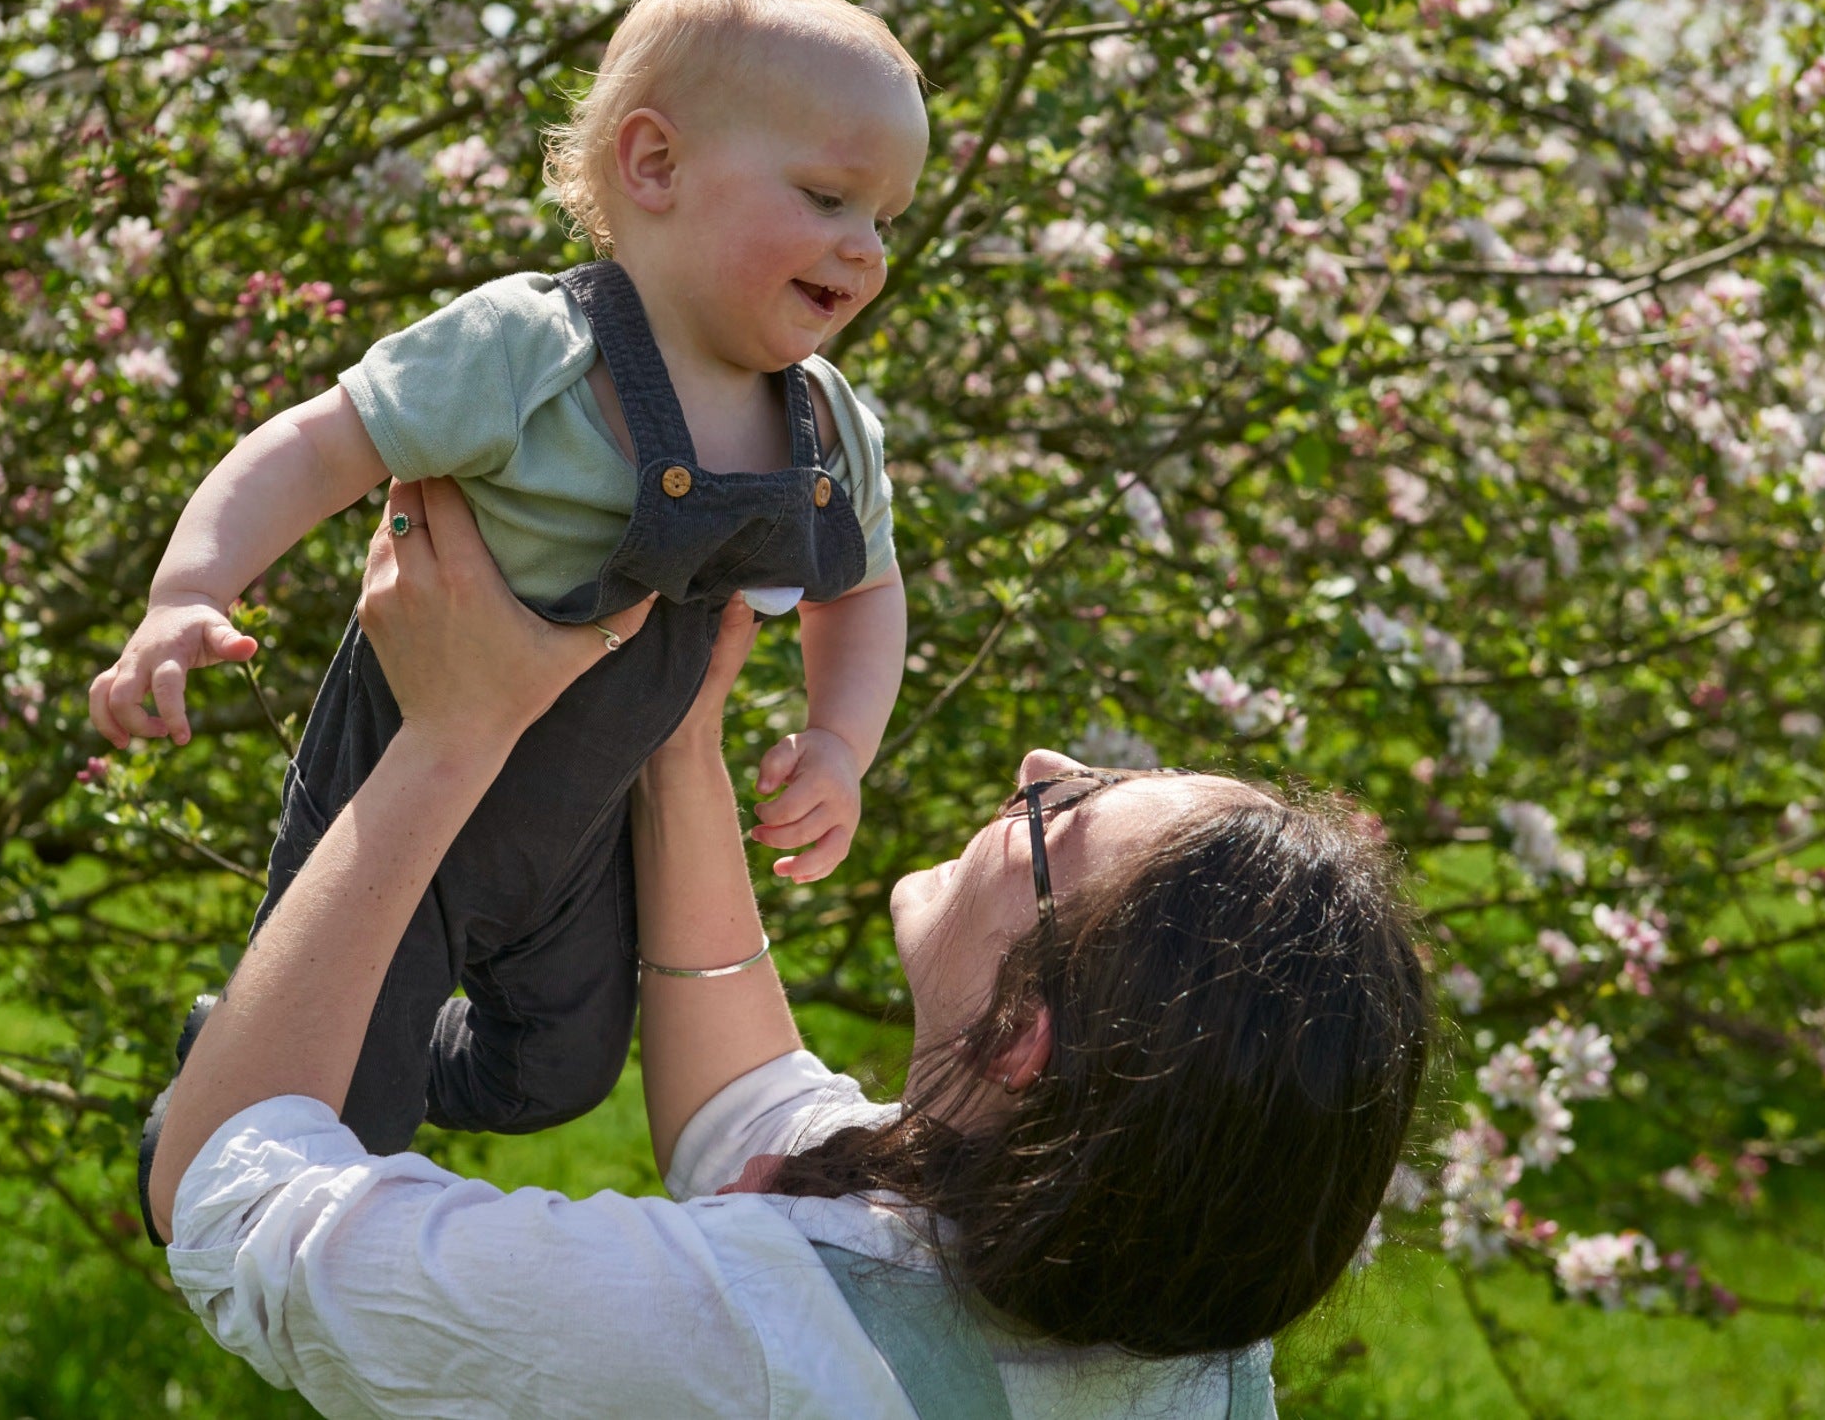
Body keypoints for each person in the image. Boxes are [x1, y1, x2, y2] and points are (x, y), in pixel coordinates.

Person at [148, 476, 1436, 1418]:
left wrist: (448, 734)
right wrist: (681, 732)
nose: (1042, 763)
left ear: (1023, 1034)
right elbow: (760, 1127)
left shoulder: (738, 1344)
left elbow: (236, 1201)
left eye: (1072, 808)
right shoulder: (1184, 1335)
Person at [93, 0, 921, 1198]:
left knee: (560, 1078)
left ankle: (279, 1038)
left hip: (581, 832)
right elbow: (315, 444)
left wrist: (838, 740)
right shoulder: (532, 349)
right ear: (654, 167)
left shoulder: (825, 426)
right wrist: (187, 593)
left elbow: (865, 591)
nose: (861, 250)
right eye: (824, 198)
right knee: (339, 1125)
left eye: (883, 221)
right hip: (402, 796)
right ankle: (235, 1078)